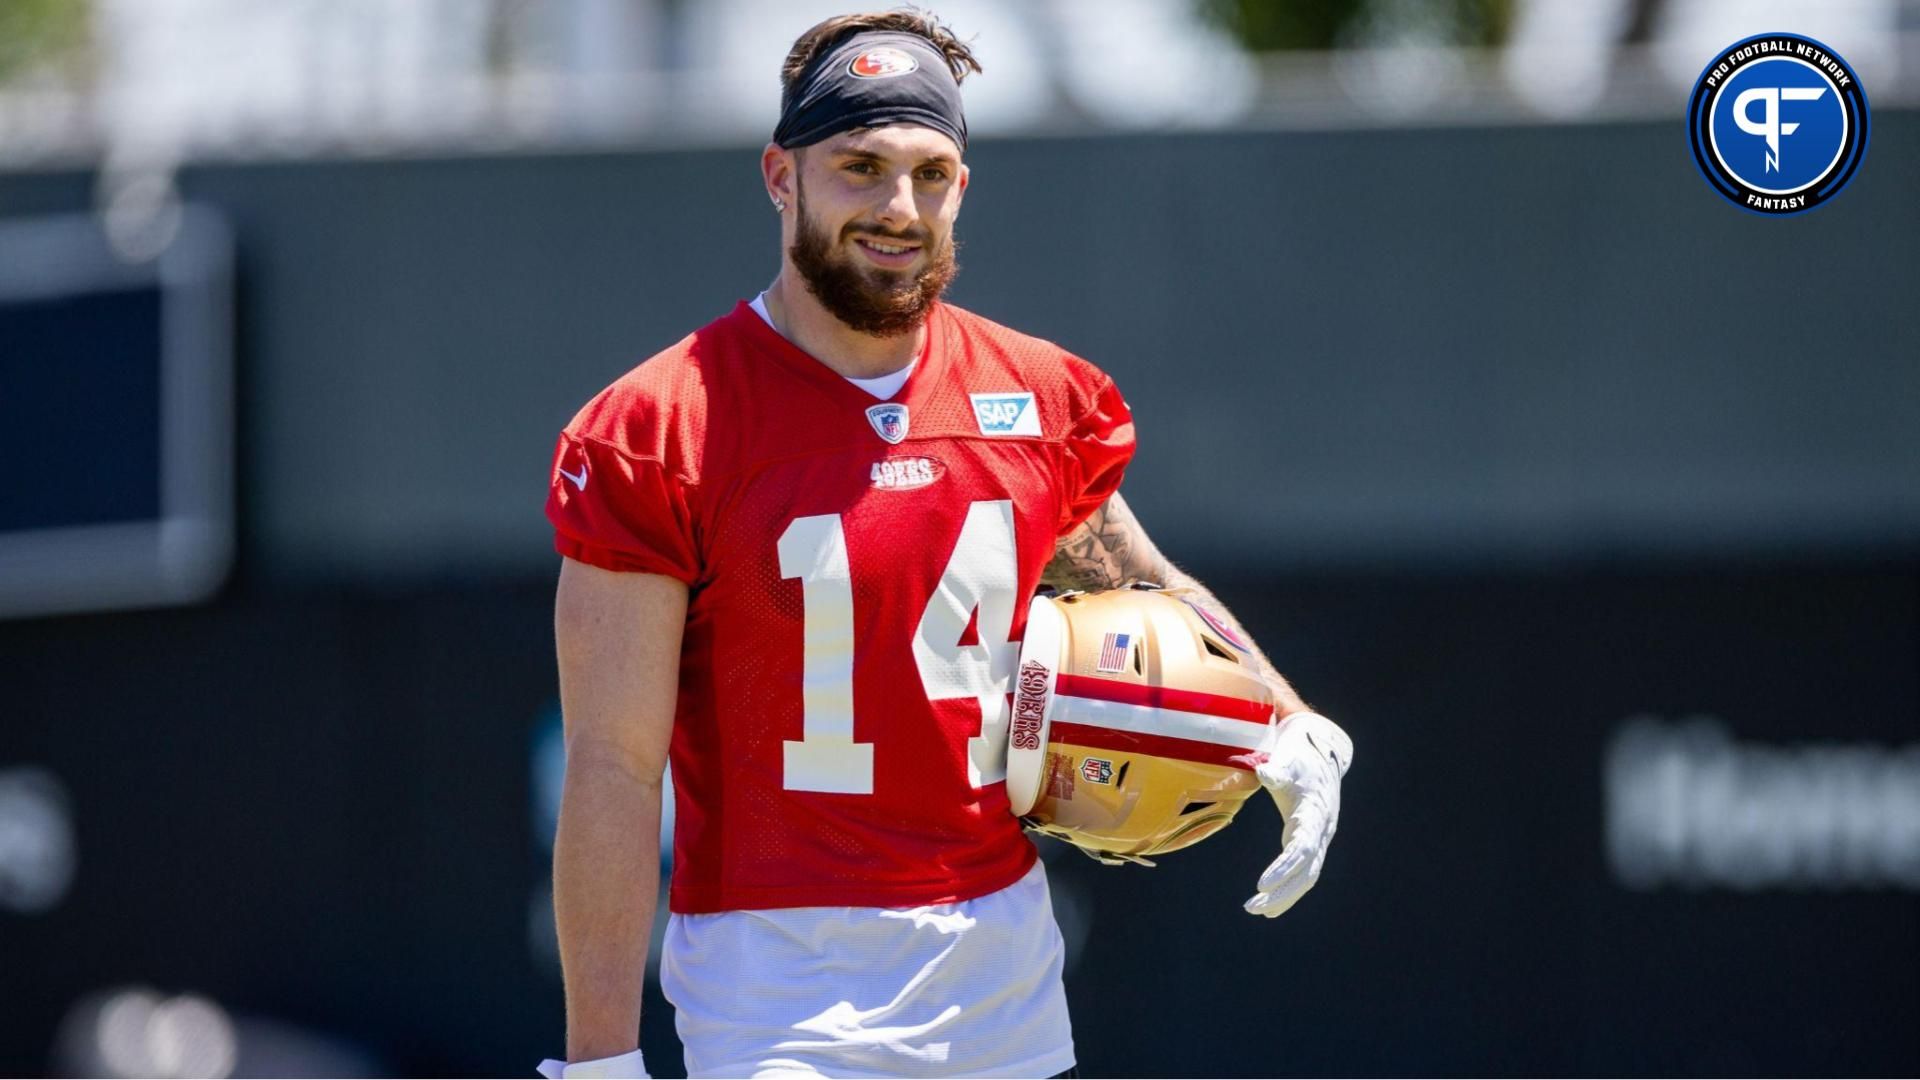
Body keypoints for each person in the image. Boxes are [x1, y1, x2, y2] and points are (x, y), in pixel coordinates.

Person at [539, 10, 1352, 1078]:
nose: (897, 207)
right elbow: (611, 763)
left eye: (929, 173)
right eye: (860, 167)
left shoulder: (1032, 393)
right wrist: (598, 1060)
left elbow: (1144, 580)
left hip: (1001, 980)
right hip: (777, 989)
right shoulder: (661, 427)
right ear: (780, 177)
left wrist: (1289, 723)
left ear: (963, 183)